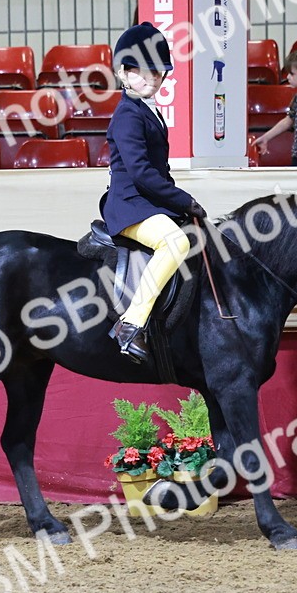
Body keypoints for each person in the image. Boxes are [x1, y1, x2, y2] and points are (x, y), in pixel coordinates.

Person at [101, 22, 206, 363]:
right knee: (176, 243)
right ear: (124, 73)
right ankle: (131, 325)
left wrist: (180, 203)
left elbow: (161, 170)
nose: (151, 80)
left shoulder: (149, 111)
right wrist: (183, 200)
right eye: (142, 74)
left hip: (148, 202)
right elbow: (143, 175)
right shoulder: (127, 116)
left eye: (158, 74)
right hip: (130, 205)